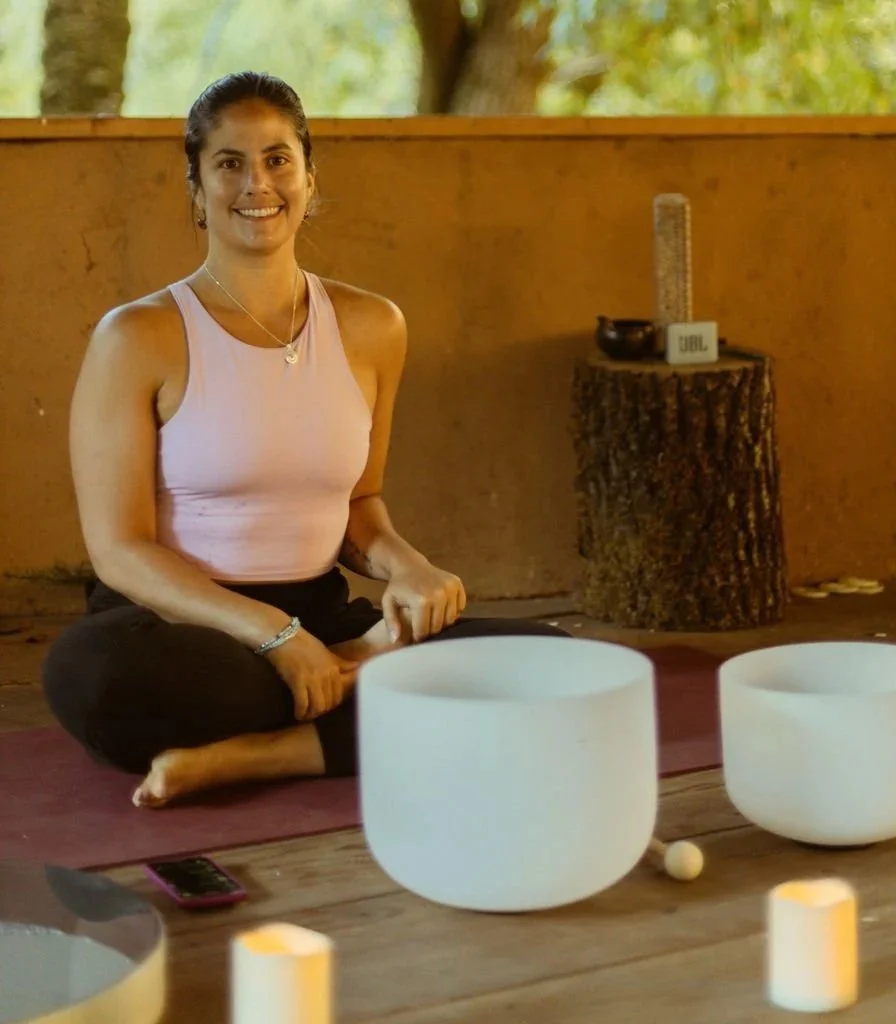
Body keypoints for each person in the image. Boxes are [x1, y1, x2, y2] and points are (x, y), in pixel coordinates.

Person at [42, 71, 568, 809]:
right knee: (95, 681)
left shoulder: (373, 327)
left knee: (548, 664)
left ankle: (262, 753)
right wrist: (276, 639)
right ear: (196, 189)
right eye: (228, 163)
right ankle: (365, 684)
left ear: (311, 179)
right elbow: (120, 550)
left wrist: (410, 570)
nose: (256, 182)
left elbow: (361, 502)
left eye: (278, 159)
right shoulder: (137, 336)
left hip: (323, 616)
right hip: (180, 626)